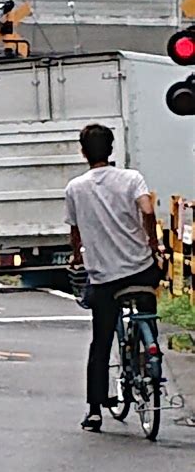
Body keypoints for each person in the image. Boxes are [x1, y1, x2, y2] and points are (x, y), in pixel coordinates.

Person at [64, 124, 163, 432]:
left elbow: (75, 232)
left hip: (104, 276)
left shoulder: (75, 188)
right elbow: (147, 208)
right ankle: (150, 355)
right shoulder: (132, 178)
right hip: (140, 268)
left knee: (101, 340)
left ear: (83, 152)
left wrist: (78, 255)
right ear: (111, 149)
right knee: (146, 312)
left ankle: (94, 409)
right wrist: (152, 242)